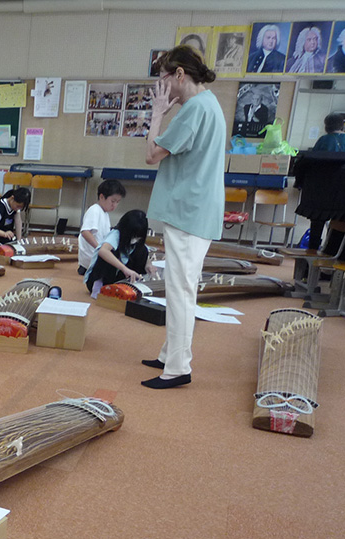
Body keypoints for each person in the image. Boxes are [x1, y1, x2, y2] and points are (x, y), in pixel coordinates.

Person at [144, 46, 226, 390]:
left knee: (179, 291)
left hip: (189, 213)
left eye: (164, 78)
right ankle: (170, 355)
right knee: (181, 288)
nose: (162, 87)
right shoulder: (209, 104)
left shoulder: (194, 109)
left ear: (179, 74)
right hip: (194, 211)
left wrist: (157, 114)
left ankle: (178, 368)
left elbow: (152, 154)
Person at [83, 209, 153, 299]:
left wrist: (148, 264)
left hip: (119, 279)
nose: (135, 238)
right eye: (133, 235)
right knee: (108, 253)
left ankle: (134, 284)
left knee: (143, 250)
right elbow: (103, 251)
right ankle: (98, 284)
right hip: (101, 278)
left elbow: (143, 251)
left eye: (138, 236)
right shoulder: (116, 234)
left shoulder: (138, 241)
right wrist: (125, 269)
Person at [78, 180, 126, 276]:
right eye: (112, 201)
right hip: (92, 258)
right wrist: (100, 249)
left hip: (97, 255)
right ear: (102, 197)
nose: (114, 205)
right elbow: (85, 232)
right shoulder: (94, 210)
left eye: (117, 202)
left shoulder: (104, 213)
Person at [0, 188, 31, 252]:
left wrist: (19, 240)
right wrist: (4, 234)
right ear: (12, 198)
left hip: (6, 238)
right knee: (10, 251)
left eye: (20, 208)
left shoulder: (15, 207)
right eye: (18, 206)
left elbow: (18, 222)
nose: (18, 209)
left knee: (21, 249)